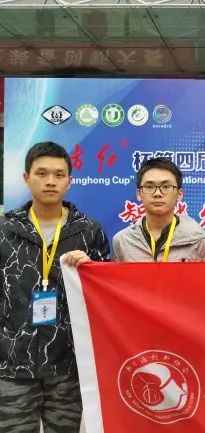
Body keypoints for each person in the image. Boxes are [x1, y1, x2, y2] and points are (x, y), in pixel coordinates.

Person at [0, 141, 109, 433]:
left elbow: (106, 299)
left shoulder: (89, 232)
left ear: (70, 181)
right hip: (11, 364)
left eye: (59, 175)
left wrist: (91, 269)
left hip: (68, 364)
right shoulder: (5, 230)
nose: (50, 181)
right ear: (26, 178)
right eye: (42, 173)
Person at [66, 158, 205, 265]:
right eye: (149, 187)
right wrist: (88, 267)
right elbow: (115, 286)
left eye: (166, 187)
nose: (157, 193)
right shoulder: (122, 241)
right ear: (139, 194)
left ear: (179, 194)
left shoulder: (198, 239)